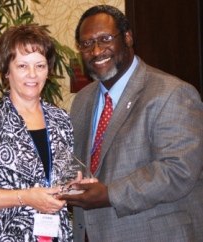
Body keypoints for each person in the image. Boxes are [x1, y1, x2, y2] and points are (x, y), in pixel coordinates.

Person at [59, 5, 203, 242]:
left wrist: (109, 195)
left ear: (127, 37)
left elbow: (178, 171)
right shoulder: (82, 99)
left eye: (105, 39)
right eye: (86, 44)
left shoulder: (172, 93)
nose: (96, 51)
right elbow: (78, 164)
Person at [0, 24, 74, 241]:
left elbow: (62, 174)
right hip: (0, 235)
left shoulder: (61, 120)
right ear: (6, 71)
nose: (32, 74)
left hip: (55, 233)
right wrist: (26, 197)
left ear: (49, 70)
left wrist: (75, 185)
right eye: (22, 66)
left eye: (40, 65)